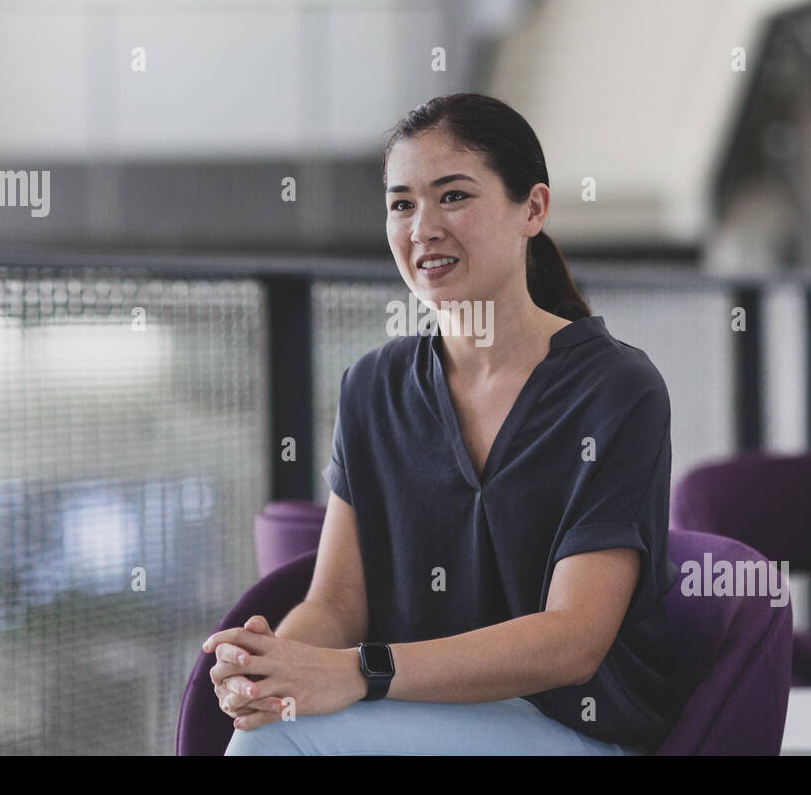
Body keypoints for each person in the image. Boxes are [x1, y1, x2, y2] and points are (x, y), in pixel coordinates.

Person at [208, 92, 684, 755]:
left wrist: (356, 673)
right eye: (402, 203)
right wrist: (277, 665)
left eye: (453, 196)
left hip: (575, 729)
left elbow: (573, 639)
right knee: (270, 724)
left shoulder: (616, 389)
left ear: (533, 209)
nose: (422, 227)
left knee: (275, 746)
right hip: (413, 717)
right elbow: (337, 607)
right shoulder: (372, 386)